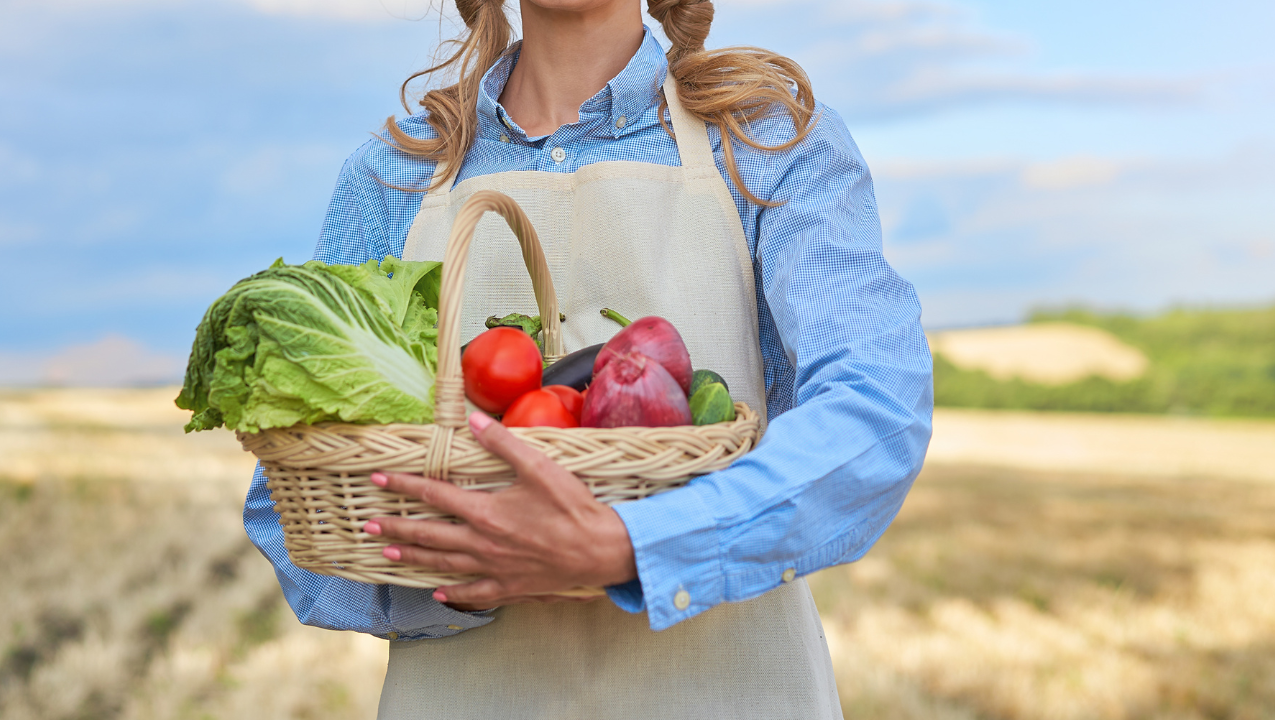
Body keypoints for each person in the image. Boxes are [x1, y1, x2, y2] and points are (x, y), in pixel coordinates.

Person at [244, 0, 933, 716]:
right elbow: (286, 506)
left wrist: (634, 546)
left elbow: (875, 412)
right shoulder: (393, 174)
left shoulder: (766, 142)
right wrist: (461, 579)